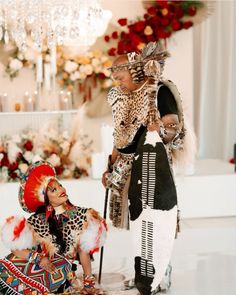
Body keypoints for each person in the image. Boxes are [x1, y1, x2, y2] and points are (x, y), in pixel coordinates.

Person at [102, 42, 187, 295]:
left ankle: (163, 270)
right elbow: (119, 135)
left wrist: (160, 127)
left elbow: (174, 128)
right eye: (114, 77)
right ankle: (142, 272)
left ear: (135, 71)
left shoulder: (158, 91)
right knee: (134, 221)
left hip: (150, 163)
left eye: (121, 76)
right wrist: (111, 164)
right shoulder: (118, 97)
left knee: (156, 217)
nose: (117, 82)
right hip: (125, 165)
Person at [0, 161, 107, 295]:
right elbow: (16, 249)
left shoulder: (82, 216)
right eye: (54, 190)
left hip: (58, 272)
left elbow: (83, 252)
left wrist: (89, 284)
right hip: (36, 264)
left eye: (60, 185)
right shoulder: (37, 220)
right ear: (46, 198)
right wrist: (38, 259)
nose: (61, 190)